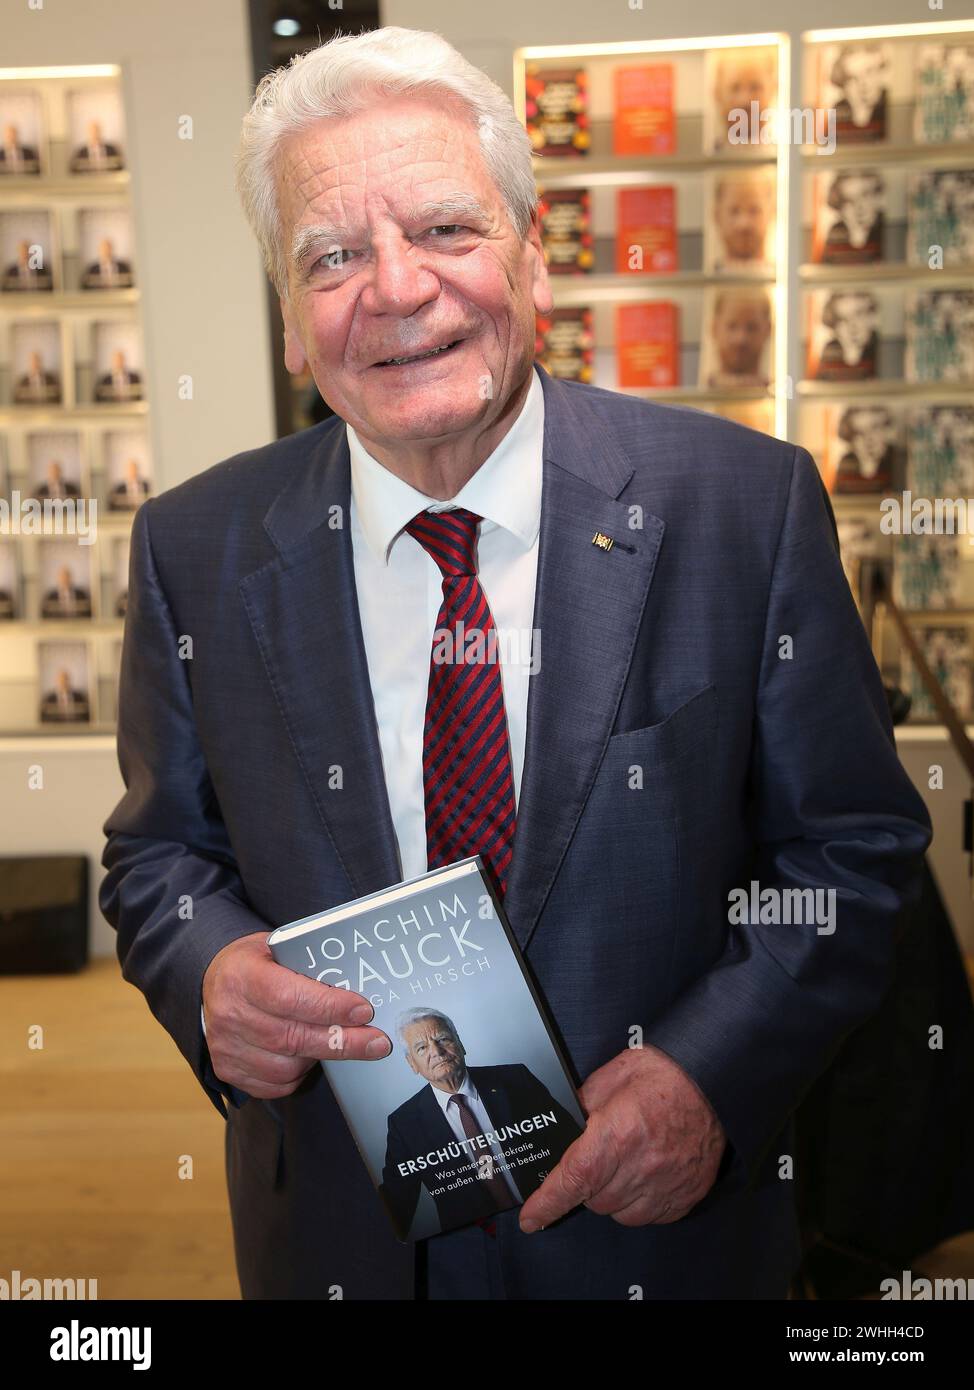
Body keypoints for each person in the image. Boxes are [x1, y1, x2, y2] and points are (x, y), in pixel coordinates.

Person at [100, 26, 932, 1302]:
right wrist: (207, 966)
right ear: (288, 320)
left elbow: (852, 854)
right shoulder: (191, 547)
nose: (392, 288)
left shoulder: (741, 509)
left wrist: (706, 1069)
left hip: (663, 1239)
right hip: (339, 1240)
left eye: (444, 230)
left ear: (534, 263)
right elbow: (159, 855)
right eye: (331, 255)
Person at [379, 1008, 582, 1240]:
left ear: (460, 1044)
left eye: (443, 1039)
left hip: (559, 1217)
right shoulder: (403, 1123)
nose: (436, 1051)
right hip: (477, 1244)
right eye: (422, 1047)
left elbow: (571, 1140)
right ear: (412, 1063)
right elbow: (396, 1204)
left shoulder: (516, 1079)